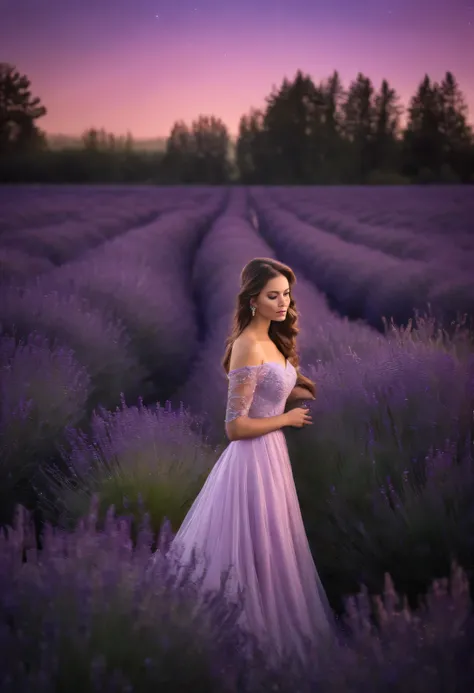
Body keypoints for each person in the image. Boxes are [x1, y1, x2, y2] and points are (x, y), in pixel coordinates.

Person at [166, 258, 334, 662]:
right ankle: (240, 641)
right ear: (252, 300)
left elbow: (270, 388)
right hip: (251, 458)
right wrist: (288, 418)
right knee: (251, 547)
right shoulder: (247, 345)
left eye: (286, 294)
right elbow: (235, 427)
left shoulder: (274, 340)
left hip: (272, 457)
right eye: (272, 295)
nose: (283, 303)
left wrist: (296, 395)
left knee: (273, 545)